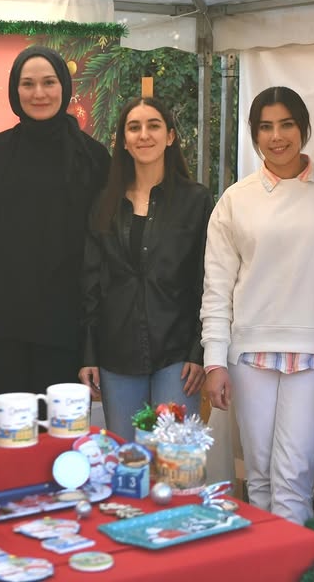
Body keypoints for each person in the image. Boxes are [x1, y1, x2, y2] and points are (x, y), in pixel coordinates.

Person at [201, 86, 314, 525]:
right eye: (266, 126)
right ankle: (265, 565)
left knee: (293, 477)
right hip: (249, 354)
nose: (277, 136)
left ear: (304, 127)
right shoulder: (235, 199)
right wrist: (215, 362)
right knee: (259, 478)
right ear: (254, 134)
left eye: (287, 124)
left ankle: (291, 567)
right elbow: (216, 288)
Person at [0, 46, 109, 402]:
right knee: (1, 436)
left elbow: (101, 247)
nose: (39, 93)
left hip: (66, 325)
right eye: (27, 84)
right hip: (0, 323)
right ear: (15, 92)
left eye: (49, 82)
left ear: (64, 86)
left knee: (57, 439)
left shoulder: (93, 157)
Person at [79, 97, 212, 442]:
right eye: (134, 127)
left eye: (153, 125)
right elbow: (91, 285)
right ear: (123, 140)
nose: (144, 135)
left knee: (177, 461)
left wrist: (199, 352)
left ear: (170, 136)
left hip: (177, 355)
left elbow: (206, 281)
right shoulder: (102, 202)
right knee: (127, 461)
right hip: (116, 354)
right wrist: (89, 355)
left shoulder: (196, 201)